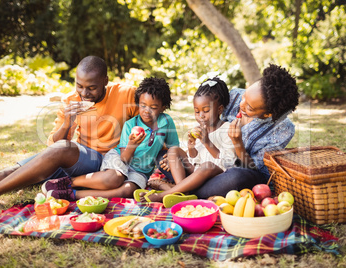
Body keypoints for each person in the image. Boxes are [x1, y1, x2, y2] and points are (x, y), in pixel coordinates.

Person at [0, 56, 138, 210]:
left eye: (92, 88)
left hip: (105, 162)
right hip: (75, 160)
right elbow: (53, 146)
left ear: (105, 81)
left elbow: (152, 121)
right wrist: (68, 122)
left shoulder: (126, 94)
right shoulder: (70, 100)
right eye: (79, 86)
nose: (84, 94)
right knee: (11, 172)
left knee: (62, 149)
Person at [149, 64, 299, 200]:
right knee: (163, 155)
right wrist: (187, 150)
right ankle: (186, 190)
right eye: (245, 97)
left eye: (250, 108)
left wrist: (238, 144)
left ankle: (174, 189)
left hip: (228, 173)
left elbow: (256, 171)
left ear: (268, 114)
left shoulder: (282, 130)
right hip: (202, 163)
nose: (241, 104)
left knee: (236, 177)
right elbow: (206, 122)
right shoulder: (233, 97)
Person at [41, 77, 180, 200]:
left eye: (153, 107)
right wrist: (132, 144)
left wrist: (168, 157)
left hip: (141, 170)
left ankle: (72, 194)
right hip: (119, 158)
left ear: (163, 107)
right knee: (113, 179)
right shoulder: (130, 125)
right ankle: (69, 182)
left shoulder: (167, 122)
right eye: (143, 106)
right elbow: (124, 158)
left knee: (127, 191)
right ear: (138, 104)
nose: (146, 111)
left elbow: (173, 147)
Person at [136, 77, 236, 203]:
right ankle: (182, 191)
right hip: (197, 171)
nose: (201, 116)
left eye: (206, 111)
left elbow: (227, 163)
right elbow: (195, 160)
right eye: (197, 111)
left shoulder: (227, 129)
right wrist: (191, 147)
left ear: (220, 109)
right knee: (173, 151)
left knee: (207, 166)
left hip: (216, 174)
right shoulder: (199, 130)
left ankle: (165, 193)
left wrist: (207, 142)